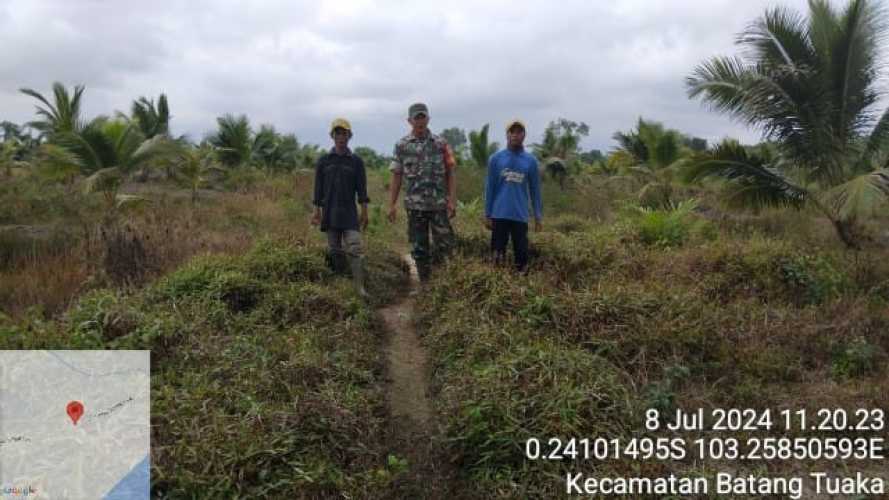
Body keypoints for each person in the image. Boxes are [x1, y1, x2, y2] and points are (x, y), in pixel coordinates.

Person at [387, 103, 457, 282]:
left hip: (438, 205)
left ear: (428, 119)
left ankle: (443, 284)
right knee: (419, 248)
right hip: (415, 206)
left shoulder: (441, 144)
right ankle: (425, 285)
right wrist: (391, 205)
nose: (420, 121)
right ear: (409, 121)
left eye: (423, 117)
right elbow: (397, 176)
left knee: (445, 245)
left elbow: (450, 173)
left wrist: (452, 200)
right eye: (416, 117)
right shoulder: (402, 146)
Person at [311, 117, 370, 297]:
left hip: (350, 213)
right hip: (329, 212)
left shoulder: (356, 162)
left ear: (349, 136)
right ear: (332, 136)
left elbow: (362, 189)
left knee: (354, 248)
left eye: (344, 133)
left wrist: (365, 212)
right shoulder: (324, 161)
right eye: (338, 133)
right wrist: (316, 211)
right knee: (334, 250)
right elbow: (318, 189)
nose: (341, 137)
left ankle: (360, 287)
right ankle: (341, 286)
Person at [484, 119, 542, 272]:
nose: (516, 135)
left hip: (520, 216)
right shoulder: (495, 159)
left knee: (522, 257)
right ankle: (497, 289)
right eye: (512, 132)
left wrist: (538, 216)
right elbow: (490, 188)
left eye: (519, 132)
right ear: (507, 135)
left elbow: (535, 190)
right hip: (499, 214)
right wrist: (487, 214)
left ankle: (520, 290)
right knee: (497, 256)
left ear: (524, 135)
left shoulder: (531, 161)